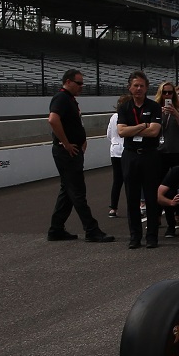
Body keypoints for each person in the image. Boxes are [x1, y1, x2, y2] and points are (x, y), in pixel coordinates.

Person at [47, 69, 114, 243]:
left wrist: (81, 140)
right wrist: (66, 143)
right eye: (79, 83)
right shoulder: (61, 98)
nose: (81, 86)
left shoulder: (69, 99)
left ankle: (56, 229)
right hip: (67, 152)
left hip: (72, 150)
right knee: (77, 192)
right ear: (68, 82)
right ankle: (91, 229)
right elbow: (53, 120)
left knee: (68, 191)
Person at [116, 71, 163, 249]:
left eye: (142, 86)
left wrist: (133, 129)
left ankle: (152, 237)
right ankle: (135, 236)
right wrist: (143, 125)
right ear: (130, 87)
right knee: (132, 198)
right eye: (135, 85)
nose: (138, 89)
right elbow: (121, 131)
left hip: (150, 154)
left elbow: (154, 131)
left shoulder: (154, 106)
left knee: (151, 197)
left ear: (146, 88)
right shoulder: (124, 107)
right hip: (131, 155)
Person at [155, 81, 179, 234]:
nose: (167, 95)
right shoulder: (155, 109)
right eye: (165, 92)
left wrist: (175, 114)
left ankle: (178, 214)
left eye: (170, 92)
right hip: (161, 153)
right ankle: (169, 223)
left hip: (177, 152)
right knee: (163, 187)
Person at [105, 107, 123, 220]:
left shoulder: (113, 117)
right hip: (127, 151)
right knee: (131, 180)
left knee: (117, 181)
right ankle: (139, 206)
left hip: (115, 151)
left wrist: (114, 141)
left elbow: (108, 134)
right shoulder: (128, 116)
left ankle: (113, 208)